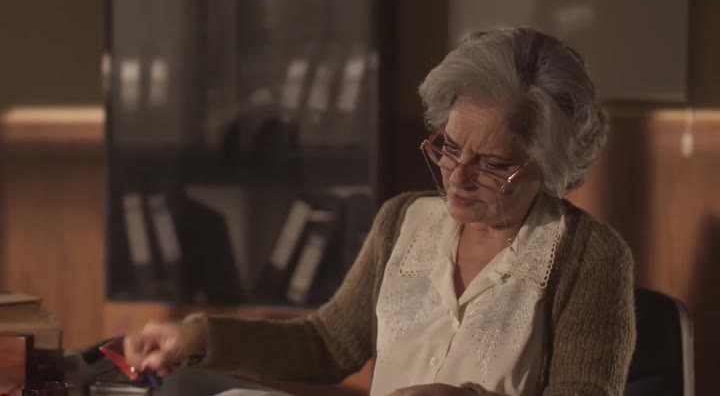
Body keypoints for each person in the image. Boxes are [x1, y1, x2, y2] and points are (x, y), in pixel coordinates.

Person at [124, 27, 636, 396]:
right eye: (450, 147)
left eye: (492, 164)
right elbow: (326, 346)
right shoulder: (402, 221)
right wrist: (198, 336)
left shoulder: (590, 256)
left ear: (547, 165)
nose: (456, 177)